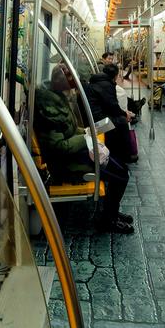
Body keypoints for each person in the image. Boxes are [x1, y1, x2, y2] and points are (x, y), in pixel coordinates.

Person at [35, 65, 133, 234]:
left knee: (121, 169)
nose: (75, 87)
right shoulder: (50, 109)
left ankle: (112, 213)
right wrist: (86, 137)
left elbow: (70, 130)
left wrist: (88, 131)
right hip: (66, 163)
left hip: (75, 154)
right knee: (121, 175)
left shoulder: (57, 100)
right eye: (72, 82)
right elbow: (59, 146)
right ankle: (108, 220)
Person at [85, 64, 137, 164]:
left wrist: (123, 113)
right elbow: (113, 106)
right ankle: (126, 156)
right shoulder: (107, 85)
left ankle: (118, 152)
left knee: (119, 118)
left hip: (93, 119)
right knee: (122, 122)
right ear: (116, 75)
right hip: (96, 125)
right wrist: (125, 114)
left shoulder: (96, 82)